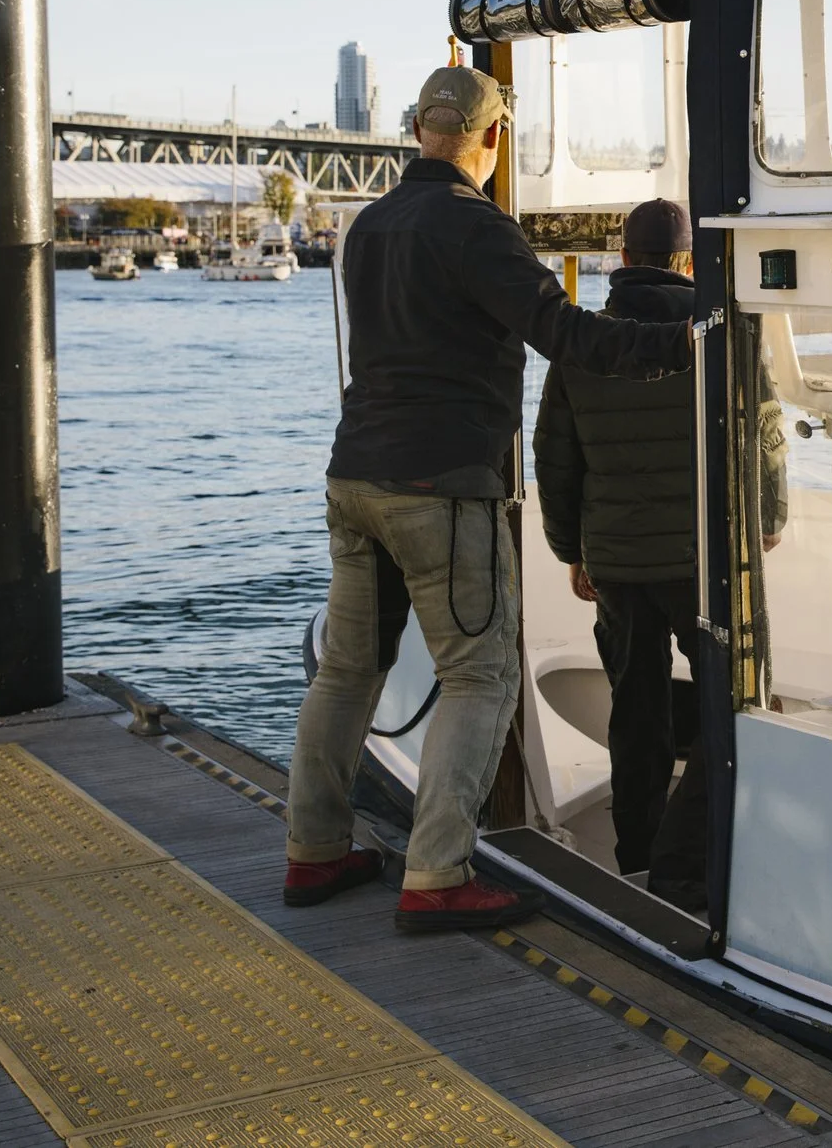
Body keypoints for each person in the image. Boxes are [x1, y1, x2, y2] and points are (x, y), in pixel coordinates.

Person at [285, 66, 692, 933]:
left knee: (348, 670)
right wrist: (690, 339)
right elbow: (568, 336)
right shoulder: (478, 228)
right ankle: (437, 872)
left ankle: (315, 849)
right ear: (493, 139)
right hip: (442, 485)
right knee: (481, 673)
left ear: (417, 130)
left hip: (353, 474)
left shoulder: (372, 225)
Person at [534, 199, 786, 912]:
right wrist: (768, 518)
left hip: (618, 564)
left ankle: (641, 857)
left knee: (635, 715)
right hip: (705, 559)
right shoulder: (718, 330)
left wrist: (570, 550)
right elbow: (763, 431)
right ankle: (695, 857)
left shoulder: (584, 339)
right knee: (726, 702)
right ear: (686, 261)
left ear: (622, 256)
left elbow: (555, 458)